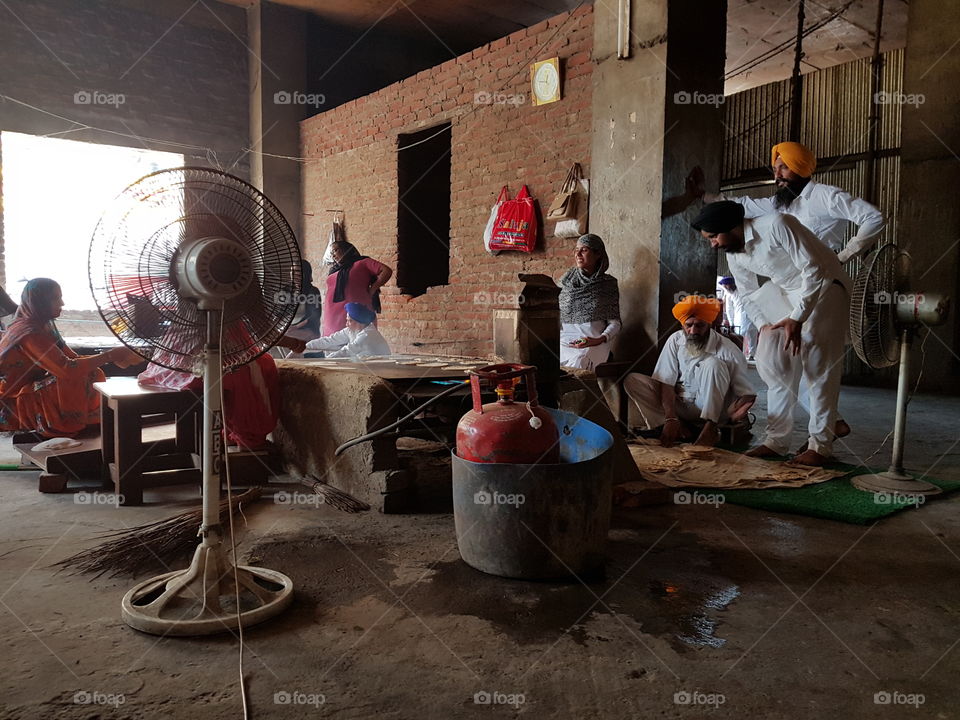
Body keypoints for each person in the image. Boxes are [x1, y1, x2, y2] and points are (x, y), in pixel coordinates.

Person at [692, 201, 850, 466]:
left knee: (817, 365)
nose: (713, 245)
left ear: (732, 227)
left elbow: (814, 269)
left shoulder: (778, 225)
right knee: (773, 362)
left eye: (714, 237)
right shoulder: (734, 255)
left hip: (825, 288)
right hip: (786, 295)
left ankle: (820, 446)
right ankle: (776, 442)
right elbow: (749, 294)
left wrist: (798, 318)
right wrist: (764, 325)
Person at [683, 142, 885, 264]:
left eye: (784, 168)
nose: (777, 176)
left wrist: (844, 255)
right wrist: (703, 196)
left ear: (801, 168)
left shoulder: (826, 196)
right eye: (775, 169)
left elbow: (874, 217)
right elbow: (742, 205)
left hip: (823, 276)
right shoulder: (781, 202)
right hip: (791, 278)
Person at [0, 278, 139, 437]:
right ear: (39, 301)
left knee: (94, 373)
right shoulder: (29, 333)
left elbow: (73, 358)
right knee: (72, 380)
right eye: (55, 298)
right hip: (12, 401)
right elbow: (67, 369)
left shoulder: (45, 325)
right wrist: (110, 355)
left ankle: (87, 421)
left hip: (28, 390)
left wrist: (116, 357)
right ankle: (64, 424)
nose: (62, 303)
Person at [622, 295, 756, 448]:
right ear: (682, 326)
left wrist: (736, 413)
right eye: (689, 325)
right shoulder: (675, 340)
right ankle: (675, 427)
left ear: (709, 325)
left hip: (713, 411)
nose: (693, 331)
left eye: (700, 326)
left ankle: (709, 429)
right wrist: (671, 418)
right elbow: (666, 382)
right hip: (682, 406)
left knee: (713, 364)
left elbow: (747, 393)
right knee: (633, 381)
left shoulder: (728, 350)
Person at [139, 332, 306, 450]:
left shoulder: (187, 286)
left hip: (176, 367)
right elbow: (262, 331)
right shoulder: (240, 286)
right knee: (256, 369)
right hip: (212, 366)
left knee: (242, 369)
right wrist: (294, 343)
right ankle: (249, 441)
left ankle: (231, 436)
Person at [558, 234, 621, 370]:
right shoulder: (566, 282)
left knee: (579, 364)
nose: (578, 254)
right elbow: (557, 318)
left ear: (598, 254)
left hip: (594, 342)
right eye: (576, 250)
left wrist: (600, 339)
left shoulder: (607, 285)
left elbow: (615, 323)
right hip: (564, 342)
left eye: (584, 250)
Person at [323, 240, 393, 336]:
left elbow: (386, 271)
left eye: (335, 250)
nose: (333, 255)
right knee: (332, 342)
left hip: (355, 311)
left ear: (345, 249)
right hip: (332, 313)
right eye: (331, 253)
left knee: (358, 343)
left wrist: (373, 289)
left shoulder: (362, 262)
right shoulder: (334, 270)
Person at [306, 303, 391, 360]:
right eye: (347, 320)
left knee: (340, 354)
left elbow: (346, 352)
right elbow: (329, 340)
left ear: (360, 322)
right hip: (366, 364)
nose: (346, 324)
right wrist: (304, 347)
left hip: (379, 368)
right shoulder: (351, 330)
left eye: (350, 321)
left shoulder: (367, 335)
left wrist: (324, 362)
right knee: (332, 347)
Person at [719, 276, 758, 360]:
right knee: (741, 336)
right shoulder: (729, 294)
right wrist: (731, 322)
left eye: (727, 285)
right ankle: (741, 355)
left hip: (751, 317)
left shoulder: (742, 290)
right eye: (724, 285)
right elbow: (729, 310)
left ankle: (751, 354)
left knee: (751, 335)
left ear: (732, 284)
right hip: (740, 318)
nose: (725, 287)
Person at [286, 259, 322, 342]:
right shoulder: (286, 290)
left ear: (305, 273)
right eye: (292, 271)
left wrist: (295, 327)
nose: (293, 274)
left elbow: (314, 316)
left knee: (283, 338)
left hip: (308, 329)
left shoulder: (313, 291)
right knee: (274, 337)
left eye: (298, 271)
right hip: (288, 327)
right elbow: (280, 313)